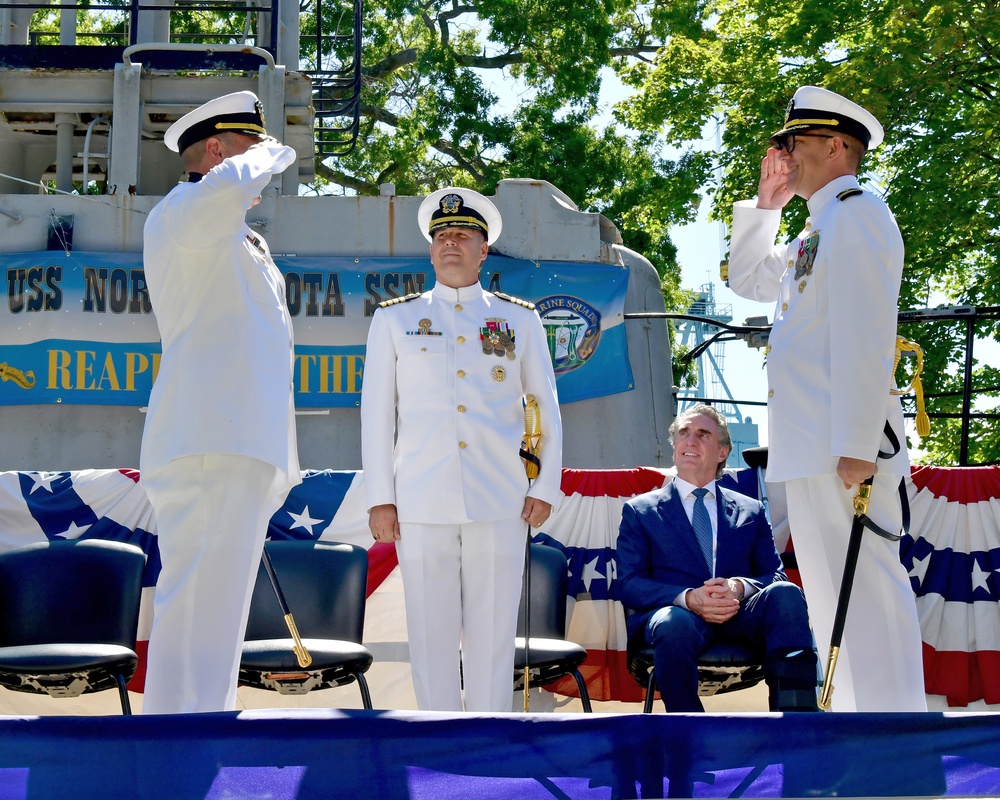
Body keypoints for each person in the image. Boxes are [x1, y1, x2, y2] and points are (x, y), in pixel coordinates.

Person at [726, 85, 926, 712]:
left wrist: (858, 444)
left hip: (846, 449)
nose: (783, 154)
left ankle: (896, 742)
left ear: (835, 145)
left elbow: (867, 333)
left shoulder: (859, 212)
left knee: (869, 591)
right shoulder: (820, 225)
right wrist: (764, 207)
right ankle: (860, 734)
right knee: (833, 598)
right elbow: (748, 280)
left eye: (793, 142)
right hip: (814, 448)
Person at [360, 187, 563, 712]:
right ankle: (437, 742)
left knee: (494, 639)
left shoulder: (518, 320)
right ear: (430, 251)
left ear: (483, 251)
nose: (452, 243)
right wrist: (381, 497)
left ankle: (488, 741)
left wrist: (545, 486)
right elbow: (377, 415)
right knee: (429, 637)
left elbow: (543, 404)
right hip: (420, 502)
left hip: (499, 498)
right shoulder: (394, 319)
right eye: (442, 236)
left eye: (464, 235)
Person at [139, 91, 301, 713]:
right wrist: (272, 150)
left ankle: (197, 731)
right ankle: (180, 737)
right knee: (199, 600)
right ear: (216, 149)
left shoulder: (232, 234)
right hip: (209, 437)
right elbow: (229, 186)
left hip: (237, 441)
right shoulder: (186, 212)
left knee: (218, 606)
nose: (264, 167)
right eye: (250, 145)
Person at [616, 404, 819, 713]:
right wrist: (688, 598)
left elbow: (775, 575)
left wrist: (738, 588)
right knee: (673, 623)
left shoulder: (751, 509)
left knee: (787, 595)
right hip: (677, 618)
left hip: (740, 615)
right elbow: (629, 584)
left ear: (723, 451)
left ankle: (795, 721)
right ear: (675, 448)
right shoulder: (640, 511)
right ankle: (691, 735)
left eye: (703, 434)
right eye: (683, 433)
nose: (690, 441)